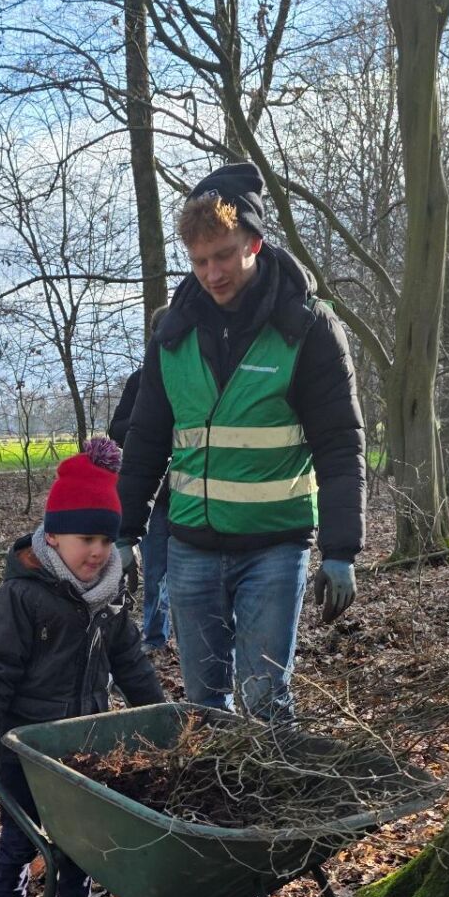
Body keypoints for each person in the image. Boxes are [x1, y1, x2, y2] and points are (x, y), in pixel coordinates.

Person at [117, 163, 365, 717]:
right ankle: (214, 780)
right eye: (199, 260)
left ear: (254, 242)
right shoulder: (172, 334)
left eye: (224, 255)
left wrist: (341, 550)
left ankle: (275, 776)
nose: (212, 273)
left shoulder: (308, 328)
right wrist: (124, 532)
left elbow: (340, 444)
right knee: (204, 705)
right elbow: (146, 439)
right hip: (190, 548)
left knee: (264, 700)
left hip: (274, 546)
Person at [0, 441, 164, 897]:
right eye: (85, 539)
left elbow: (130, 662)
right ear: (52, 537)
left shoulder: (109, 594)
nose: (96, 551)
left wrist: (162, 717)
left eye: (105, 540)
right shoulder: (24, 594)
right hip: (24, 745)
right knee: (21, 837)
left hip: (85, 739)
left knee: (82, 837)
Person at [109, 305, 171, 655]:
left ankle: (186, 637)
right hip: (153, 498)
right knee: (156, 571)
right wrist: (148, 424)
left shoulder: (199, 374)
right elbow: (117, 428)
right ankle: (155, 636)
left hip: (193, 493)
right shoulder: (140, 379)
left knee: (195, 575)